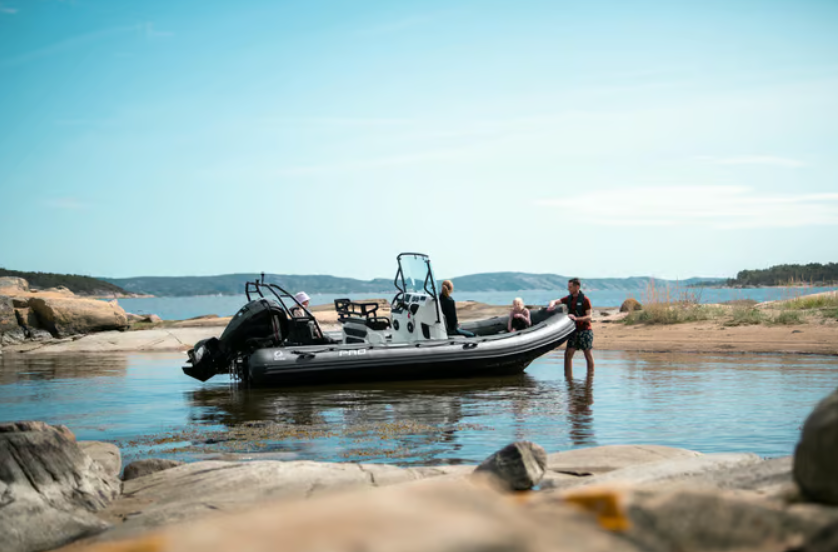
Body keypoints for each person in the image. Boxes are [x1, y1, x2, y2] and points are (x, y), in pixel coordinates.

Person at [548, 278, 594, 375]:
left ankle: (590, 378)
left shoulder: (585, 300)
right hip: (573, 331)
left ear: (577, 287)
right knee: (568, 355)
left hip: (585, 331)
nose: (568, 289)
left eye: (570, 287)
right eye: (568, 287)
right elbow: (555, 301)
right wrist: (551, 305)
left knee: (588, 355)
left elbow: (589, 316)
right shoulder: (568, 298)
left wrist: (577, 319)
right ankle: (568, 379)